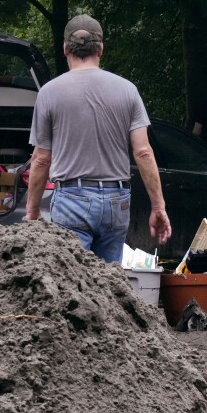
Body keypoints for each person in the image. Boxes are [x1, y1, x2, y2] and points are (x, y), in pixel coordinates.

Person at [26, 14, 171, 263]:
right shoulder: (128, 90)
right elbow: (144, 152)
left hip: (72, 198)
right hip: (117, 201)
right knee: (109, 285)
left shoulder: (49, 92)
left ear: (65, 49)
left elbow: (41, 159)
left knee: (73, 283)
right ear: (101, 49)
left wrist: (32, 211)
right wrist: (158, 207)